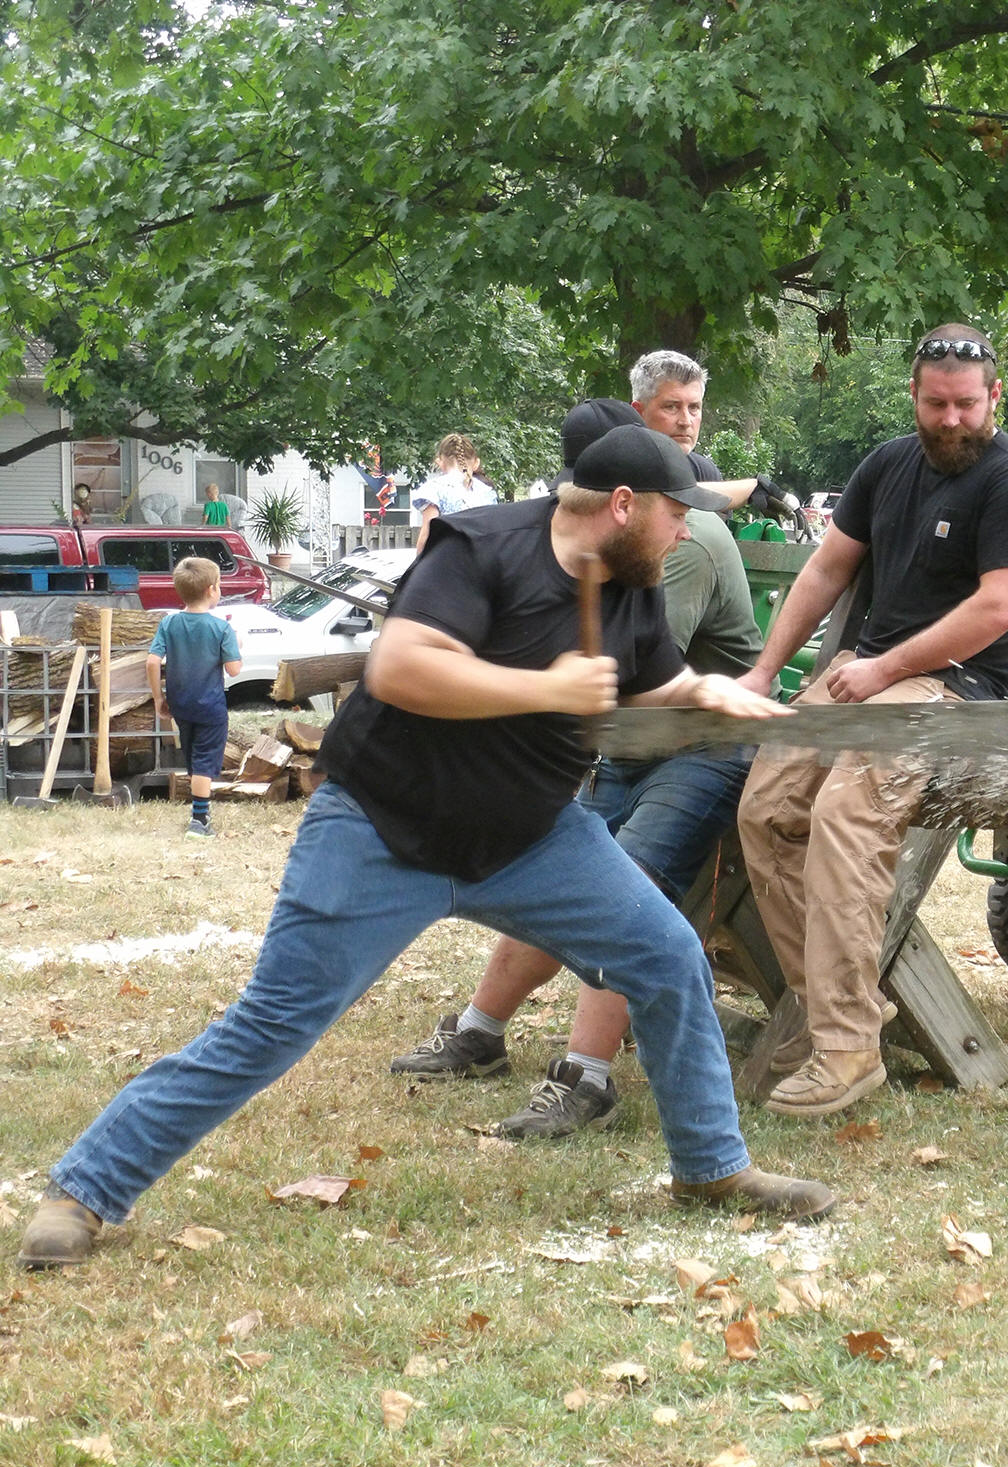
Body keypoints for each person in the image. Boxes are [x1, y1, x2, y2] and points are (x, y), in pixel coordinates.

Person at [18, 424, 832, 1271]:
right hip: (382, 826)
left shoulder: (632, 584)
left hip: (528, 837)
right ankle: (84, 1190)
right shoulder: (479, 548)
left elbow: (653, 680)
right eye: (677, 514)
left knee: (665, 955)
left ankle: (711, 1169)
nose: (687, 533)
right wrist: (546, 686)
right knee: (274, 1022)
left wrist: (707, 693)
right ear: (623, 505)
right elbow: (402, 669)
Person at [388, 390, 768, 1142]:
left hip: (701, 747)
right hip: (631, 743)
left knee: (627, 883)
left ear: (619, 497)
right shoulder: (600, 541)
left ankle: (587, 1076)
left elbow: (633, 674)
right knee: (559, 874)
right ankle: (480, 1032)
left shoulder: (678, 544)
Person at [735, 323, 1008, 1117]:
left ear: (994, 397)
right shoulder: (885, 464)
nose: (951, 419)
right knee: (765, 812)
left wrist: (881, 669)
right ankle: (833, 1009)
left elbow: (998, 609)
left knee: (846, 816)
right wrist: (766, 671)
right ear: (913, 394)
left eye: (966, 405)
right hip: (869, 678)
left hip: (961, 690)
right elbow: (826, 569)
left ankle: (846, 1049)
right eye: (935, 403)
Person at [148, 557, 244, 839]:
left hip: (180, 704)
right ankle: (199, 821)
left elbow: (152, 662)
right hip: (210, 706)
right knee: (204, 761)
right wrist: (236, 645)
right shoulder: (222, 628)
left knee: (193, 756)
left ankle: (199, 812)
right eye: (220, 585)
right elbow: (234, 670)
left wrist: (158, 698)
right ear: (211, 590)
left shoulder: (169, 623)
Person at [410, 433, 498, 550]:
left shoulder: (434, 489)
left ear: (440, 462)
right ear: (476, 463)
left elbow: (428, 535)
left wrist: (419, 559)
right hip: (481, 556)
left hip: (447, 556)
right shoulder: (486, 492)